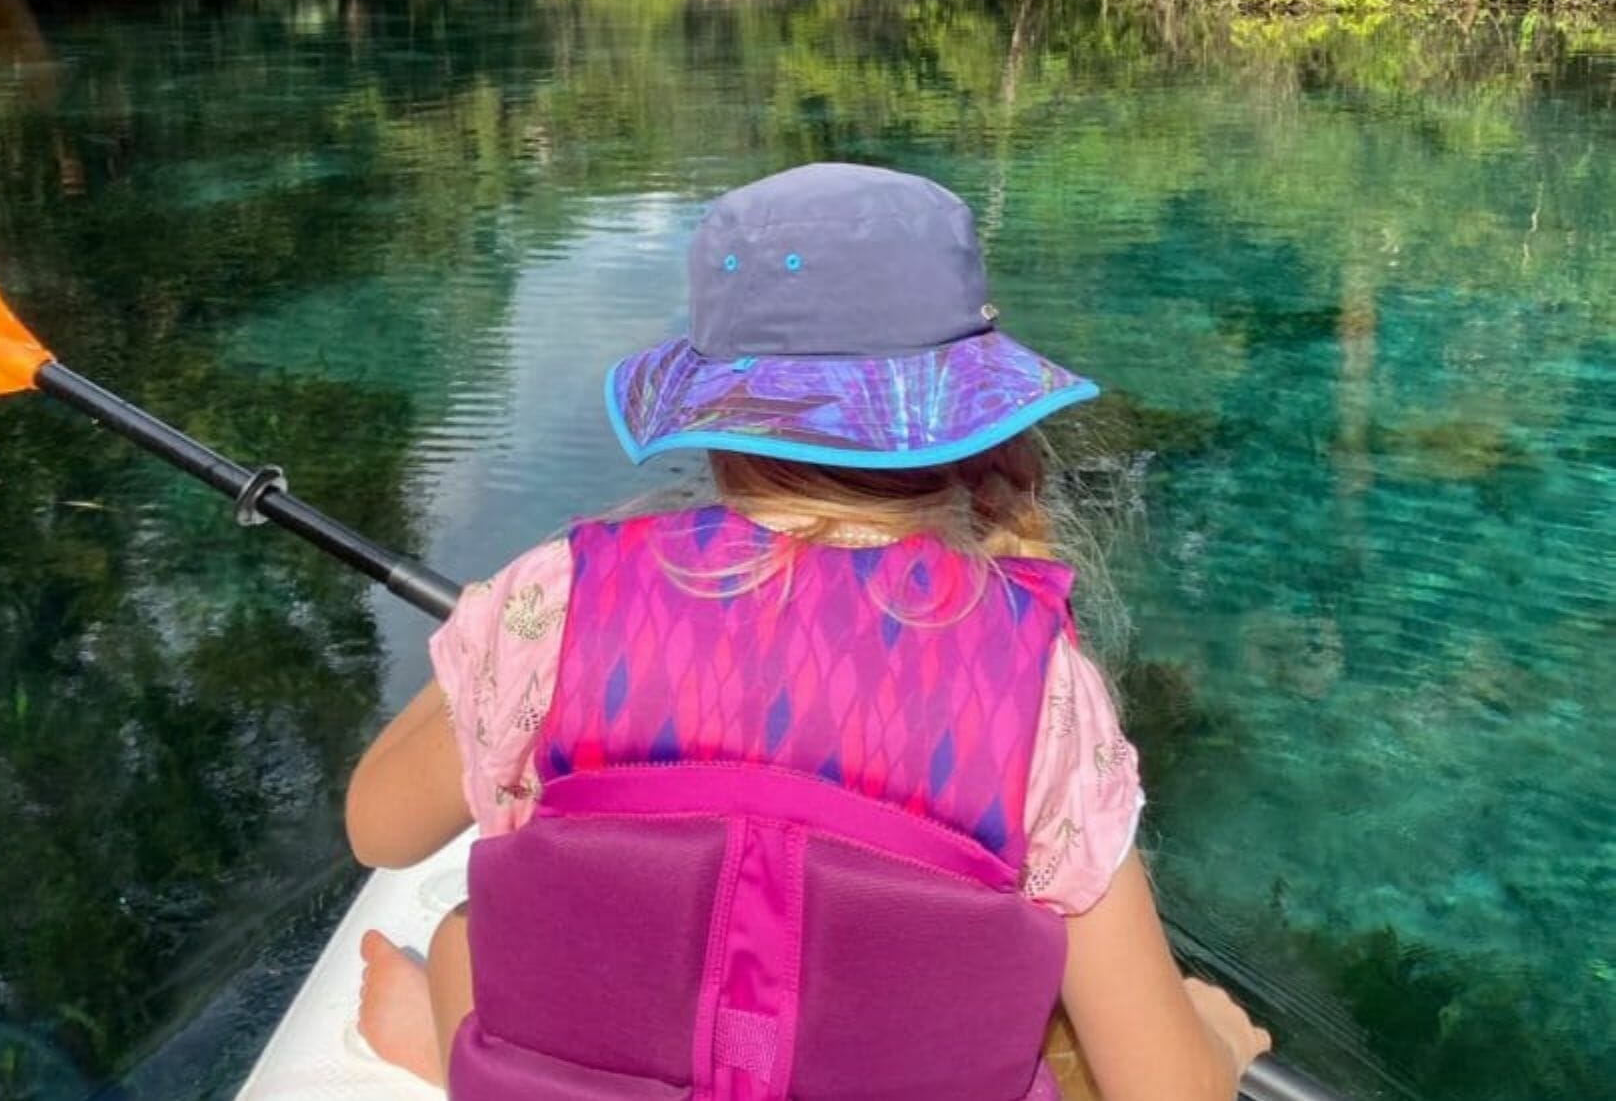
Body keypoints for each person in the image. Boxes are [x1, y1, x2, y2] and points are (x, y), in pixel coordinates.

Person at [345, 163, 1272, 1100]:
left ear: (715, 415)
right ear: (972, 414)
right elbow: (1169, 1093)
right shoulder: (1042, 690)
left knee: (473, 929)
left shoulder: (557, 599)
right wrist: (1219, 1048)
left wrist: (496, 632)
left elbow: (377, 827)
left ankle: (440, 1042)